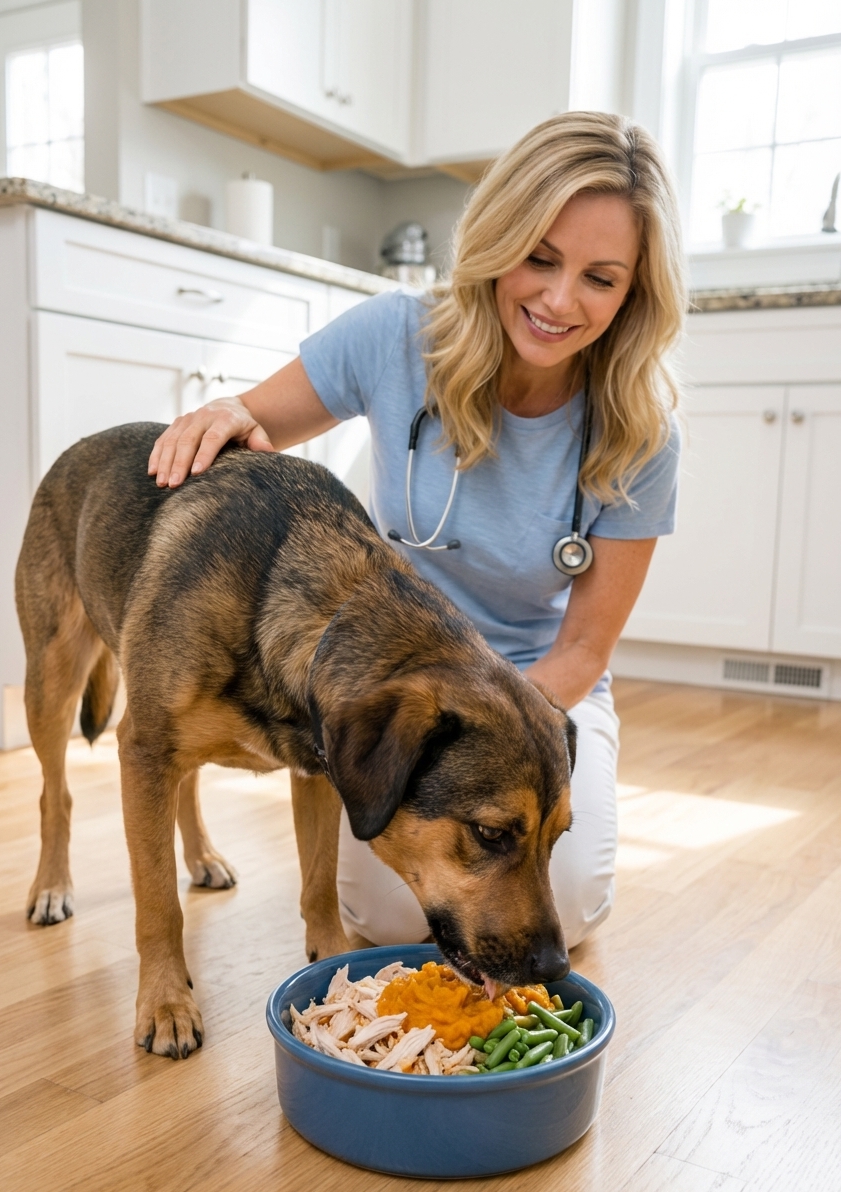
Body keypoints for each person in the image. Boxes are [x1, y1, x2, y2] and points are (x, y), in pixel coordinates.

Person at [149, 112, 687, 953]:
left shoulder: (638, 431)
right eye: (539, 258)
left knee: (565, 909)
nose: (556, 300)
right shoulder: (397, 336)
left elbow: (585, 649)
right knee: (392, 917)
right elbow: (250, 422)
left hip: (537, 692)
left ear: (633, 294)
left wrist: (493, 738)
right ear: (496, 240)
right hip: (394, 687)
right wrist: (223, 408)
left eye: (599, 278)